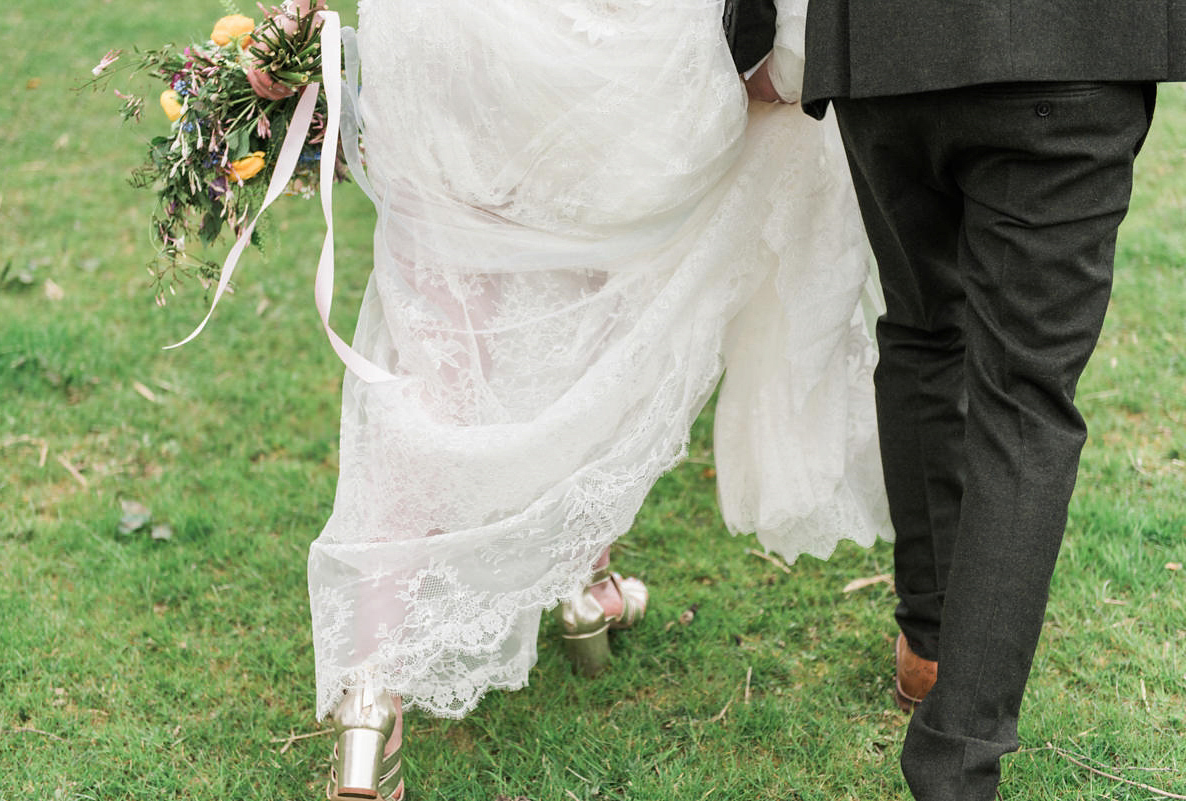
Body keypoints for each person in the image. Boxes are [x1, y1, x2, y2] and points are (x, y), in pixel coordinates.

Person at [306, 1, 889, 798]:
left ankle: (371, 695)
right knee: (601, 311)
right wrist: (787, 55)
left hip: (438, 40)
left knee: (434, 347)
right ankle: (581, 582)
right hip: (608, 58)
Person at [739, 1, 1185, 798]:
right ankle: (955, 765)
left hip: (882, 50)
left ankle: (931, 647)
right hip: (1071, 46)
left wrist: (751, 29)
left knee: (920, 330)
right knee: (1024, 399)